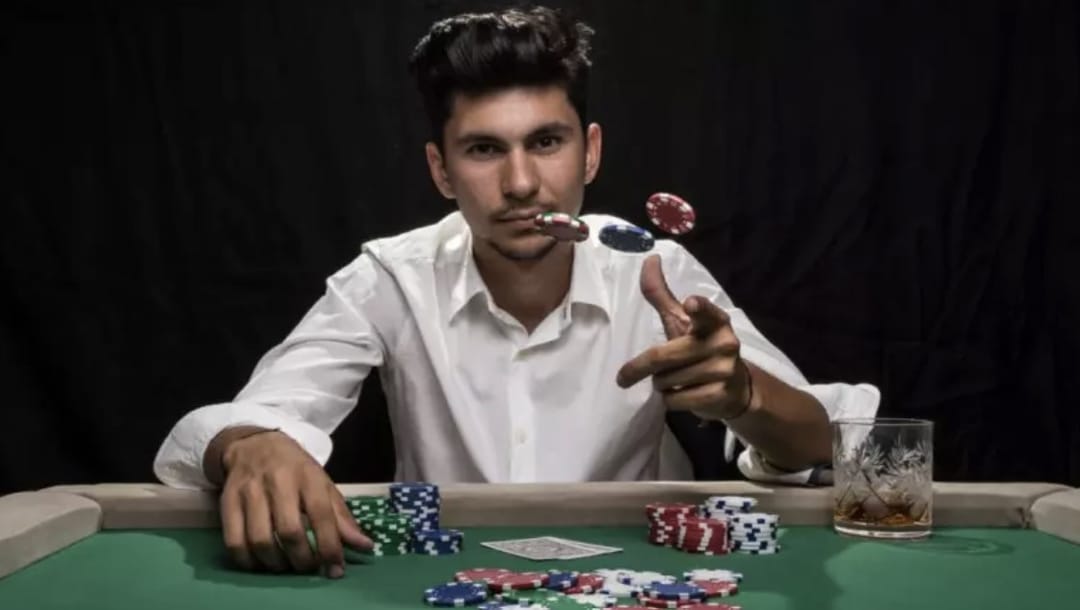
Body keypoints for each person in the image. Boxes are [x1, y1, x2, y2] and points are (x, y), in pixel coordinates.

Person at [153, 5, 879, 579]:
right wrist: (253, 445)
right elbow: (256, 416)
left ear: (589, 151)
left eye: (546, 142)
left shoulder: (653, 269)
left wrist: (743, 395)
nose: (522, 184)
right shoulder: (389, 276)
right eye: (483, 150)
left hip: (637, 583)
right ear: (441, 171)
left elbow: (826, 442)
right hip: (439, 582)